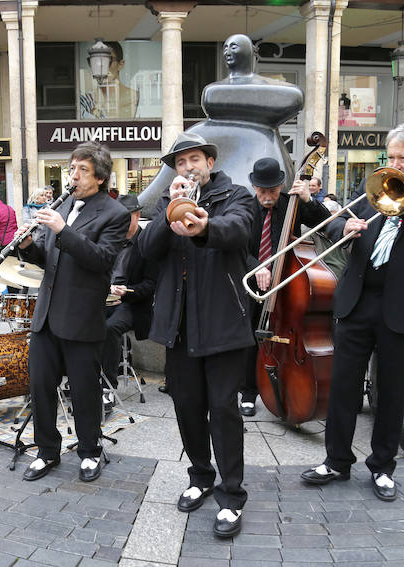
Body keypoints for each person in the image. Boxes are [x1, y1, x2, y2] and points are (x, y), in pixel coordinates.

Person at [301, 119, 404, 502]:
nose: (394, 163)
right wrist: (345, 227)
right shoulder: (377, 184)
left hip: (403, 308)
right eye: (391, 156)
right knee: (342, 388)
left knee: (392, 393)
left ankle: (381, 467)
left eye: (403, 158)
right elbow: (342, 218)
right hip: (357, 301)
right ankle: (336, 461)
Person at [139, 132, 255, 538]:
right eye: (180, 162)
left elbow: (238, 230)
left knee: (223, 410)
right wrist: (169, 212)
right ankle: (201, 476)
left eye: (194, 159)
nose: (187, 167)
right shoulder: (165, 203)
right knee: (187, 407)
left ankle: (231, 494)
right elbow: (145, 250)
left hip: (223, 323)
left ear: (209, 161)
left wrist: (204, 226)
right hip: (179, 325)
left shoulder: (236, 194)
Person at [16, 141, 129, 484]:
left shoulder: (114, 213)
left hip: (81, 318)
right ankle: (47, 451)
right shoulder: (62, 208)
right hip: (47, 316)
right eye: (71, 168)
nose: (73, 176)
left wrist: (61, 230)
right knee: (40, 387)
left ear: (100, 178)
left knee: (84, 392)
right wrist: (26, 247)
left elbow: (101, 260)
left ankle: (90, 451)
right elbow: (49, 260)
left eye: (82, 170)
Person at [240, 159, 331, 417]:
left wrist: (308, 199)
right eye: (262, 191)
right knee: (252, 336)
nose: (268, 197)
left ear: (281, 185)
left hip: (289, 284)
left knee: (286, 338)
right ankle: (248, 392)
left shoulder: (292, 204)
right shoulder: (245, 208)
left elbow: (325, 224)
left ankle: (288, 384)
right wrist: (258, 266)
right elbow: (238, 249)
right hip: (253, 283)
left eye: (272, 191)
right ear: (254, 187)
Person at [99, 194, 156, 412]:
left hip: (131, 303)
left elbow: (151, 284)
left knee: (110, 329)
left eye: (126, 218)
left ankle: (107, 389)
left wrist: (127, 292)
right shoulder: (110, 240)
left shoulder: (147, 244)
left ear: (137, 216)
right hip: (104, 298)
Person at [80, 41, 140, 119]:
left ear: (120, 64)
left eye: (107, 61)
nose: (101, 67)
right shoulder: (85, 102)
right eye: (95, 62)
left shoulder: (137, 98)